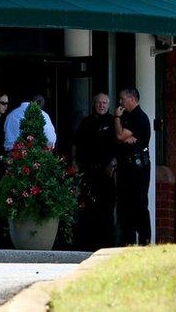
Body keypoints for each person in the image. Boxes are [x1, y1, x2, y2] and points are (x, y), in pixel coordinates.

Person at [73, 92, 116, 249]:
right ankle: (87, 244)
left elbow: (119, 146)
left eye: (105, 103)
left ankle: (106, 245)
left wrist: (113, 164)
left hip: (106, 173)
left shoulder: (113, 122)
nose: (102, 105)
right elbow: (76, 143)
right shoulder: (86, 122)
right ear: (93, 103)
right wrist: (74, 162)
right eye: (99, 102)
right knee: (87, 207)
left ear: (108, 105)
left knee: (106, 208)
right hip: (88, 172)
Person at [114, 87, 151, 245]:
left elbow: (120, 135)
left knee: (139, 203)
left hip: (138, 167)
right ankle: (127, 240)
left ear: (132, 98)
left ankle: (144, 240)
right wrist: (122, 138)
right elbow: (119, 139)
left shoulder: (139, 117)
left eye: (123, 99)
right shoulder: (128, 116)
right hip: (126, 167)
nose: (120, 102)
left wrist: (116, 118)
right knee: (125, 203)